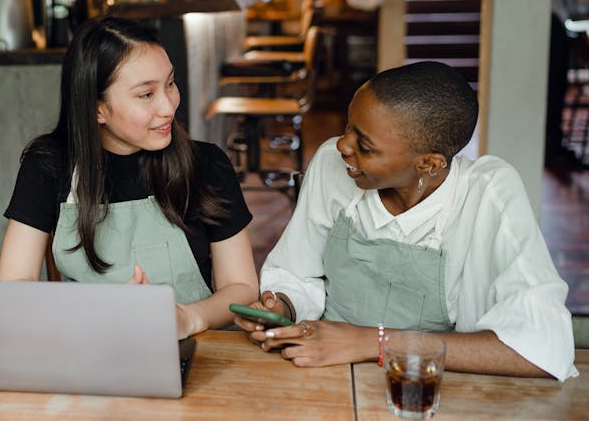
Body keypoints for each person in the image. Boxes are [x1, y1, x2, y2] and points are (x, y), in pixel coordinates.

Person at [234, 61, 577, 381]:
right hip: (322, 366)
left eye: (365, 146)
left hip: (427, 383)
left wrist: (372, 342)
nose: (342, 146)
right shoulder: (331, 163)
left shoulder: (487, 194)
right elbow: (298, 270)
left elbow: (543, 348)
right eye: (348, 128)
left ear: (428, 163)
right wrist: (284, 306)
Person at [0, 16, 258, 338]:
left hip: (195, 348)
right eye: (146, 94)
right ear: (98, 109)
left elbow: (242, 287)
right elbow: (13, 285)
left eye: (170, 84)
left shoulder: (206, 164)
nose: (168, 106)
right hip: (85, 346)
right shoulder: (49, 164)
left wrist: (189, 318)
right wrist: (100, 313)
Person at [547, 0, 589, 169]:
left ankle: (553, 148)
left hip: (552, 11)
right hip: (549, 12)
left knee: (554, 86)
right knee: (554, 87)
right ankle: (552, 150)